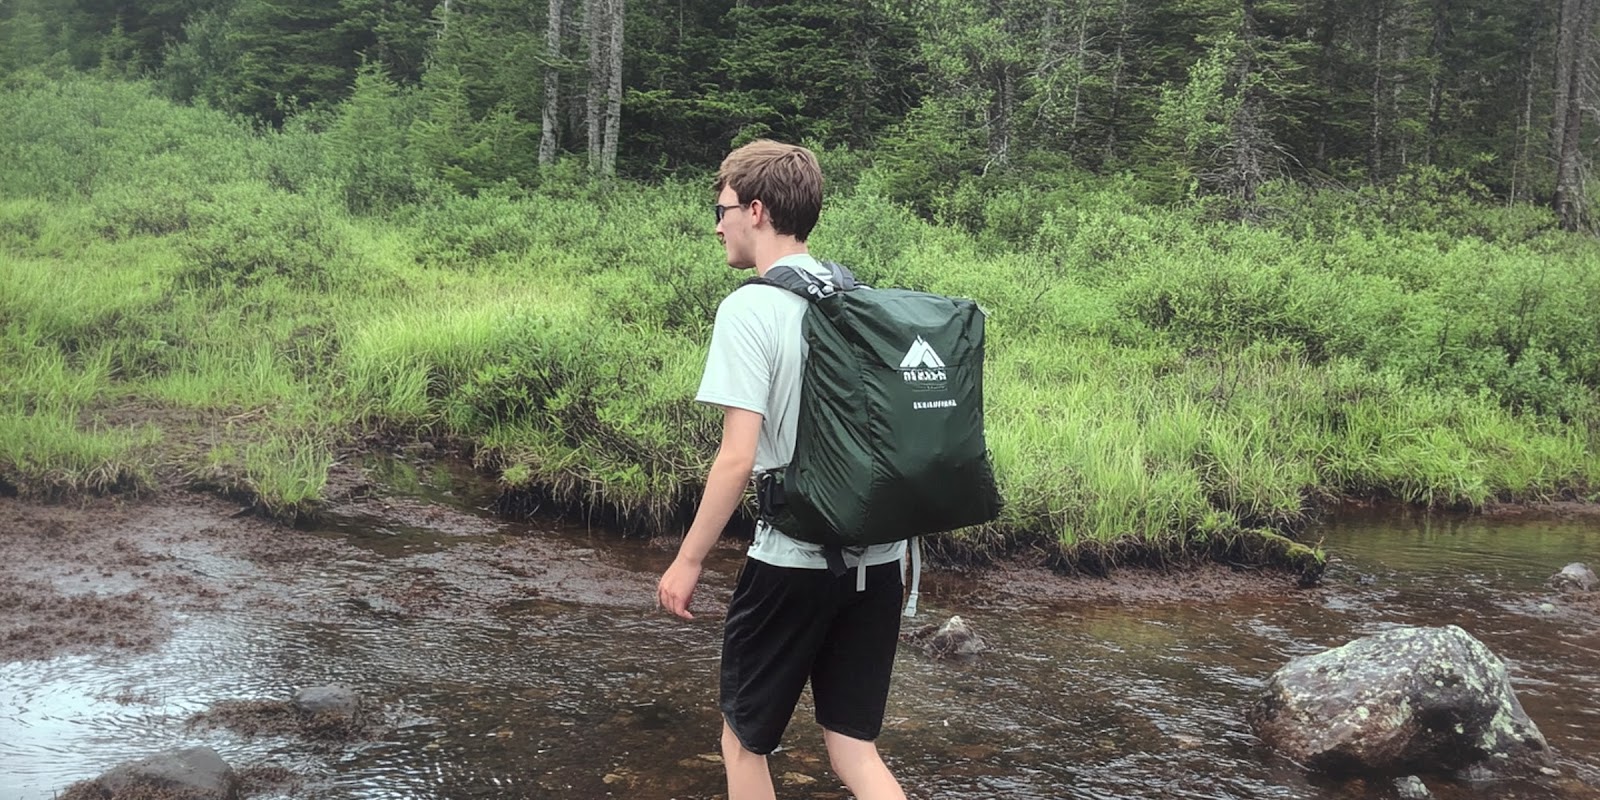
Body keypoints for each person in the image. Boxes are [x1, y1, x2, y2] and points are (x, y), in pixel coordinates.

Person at [656, 139, 911, 800]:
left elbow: (738, 456)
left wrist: (687, 562)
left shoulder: (750, 308)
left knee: (742, 743)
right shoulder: (859, 302)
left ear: (758, 210)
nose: (717, 225)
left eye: (723, 209)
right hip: (879, 562)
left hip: (793, 563)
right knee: (854, 752)